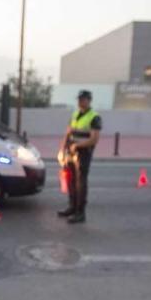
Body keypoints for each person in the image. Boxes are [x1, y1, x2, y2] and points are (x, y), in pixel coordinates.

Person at [58, 90, 102, 224]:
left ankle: (80, 213)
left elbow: (94, 139)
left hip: (83, 153)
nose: (80, 102)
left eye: (83, 99)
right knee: (70, 180)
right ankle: (72, 207)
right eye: (79, 99)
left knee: (80, 183)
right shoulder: (75, 114)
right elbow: (68, 133)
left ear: (89, 100)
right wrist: (62, 150)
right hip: (71, 153)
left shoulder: (94, 117)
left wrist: (78, 145)